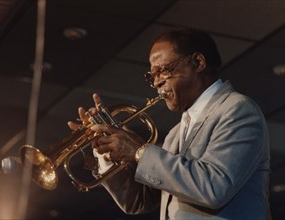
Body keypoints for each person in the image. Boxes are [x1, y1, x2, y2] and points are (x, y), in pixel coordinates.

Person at [68, 28, 271, 219]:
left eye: (163, 71)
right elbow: (138, 201)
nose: (156, 83)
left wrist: (140, 152)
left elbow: (214, 187)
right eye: (152, 76)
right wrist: (107, 154)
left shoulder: (238, 109)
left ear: (198, 62)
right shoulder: (175, 133)